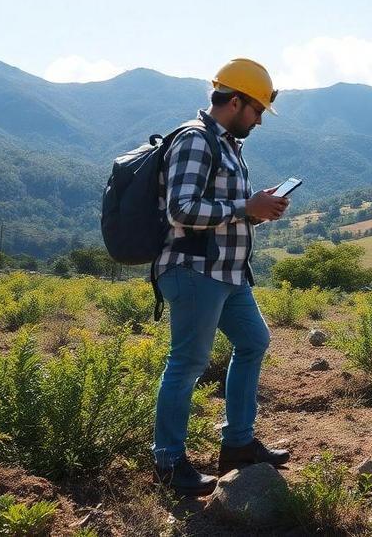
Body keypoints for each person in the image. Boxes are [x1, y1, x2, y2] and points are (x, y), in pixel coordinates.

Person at [153, 57, 293, 496]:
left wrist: (256, 211)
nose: (258, 121)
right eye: (256, 111)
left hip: (228, 273)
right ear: (235, 101)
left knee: (254, 341)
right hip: (195, 271)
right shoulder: (196, 141)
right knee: (188, 363)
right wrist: (243, 209)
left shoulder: (229, 144)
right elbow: (181, 209)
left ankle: (237, 444)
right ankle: (170, 463)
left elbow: (224, 214)